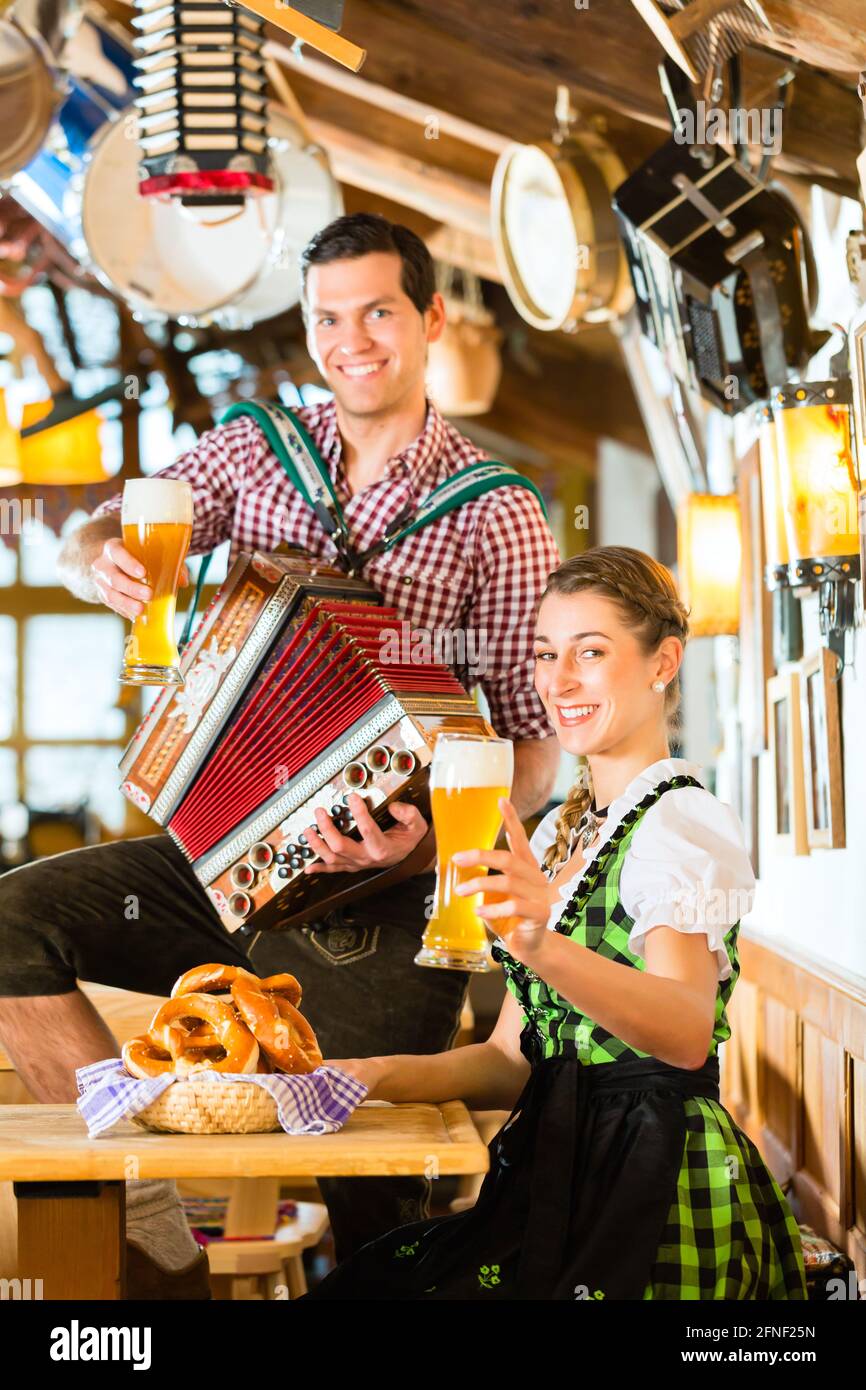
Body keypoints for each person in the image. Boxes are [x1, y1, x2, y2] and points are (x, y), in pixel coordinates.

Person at [0, 213, 561, 1296]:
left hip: (384, 890)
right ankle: (148, 1236)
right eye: (326, 318)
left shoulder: (498, 515)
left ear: (431, 316)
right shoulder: (258, 446)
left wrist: (432, 832)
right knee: (8, 924)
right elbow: (94, 526)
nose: (351, 339)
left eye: (377, 312)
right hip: (216, 855)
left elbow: (529, 754)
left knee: (361, 1180)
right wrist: (93, 566)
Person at [304, 546, 808, 1300]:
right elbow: (512, 1060)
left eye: (591, 652)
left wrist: (540, 942)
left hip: (652, 1183)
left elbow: (683, 1031)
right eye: (546, 653)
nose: (558, 680)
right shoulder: (555, 836)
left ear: (661, 662)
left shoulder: (679, 823)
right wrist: (365, 1077)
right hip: (558, 1168)